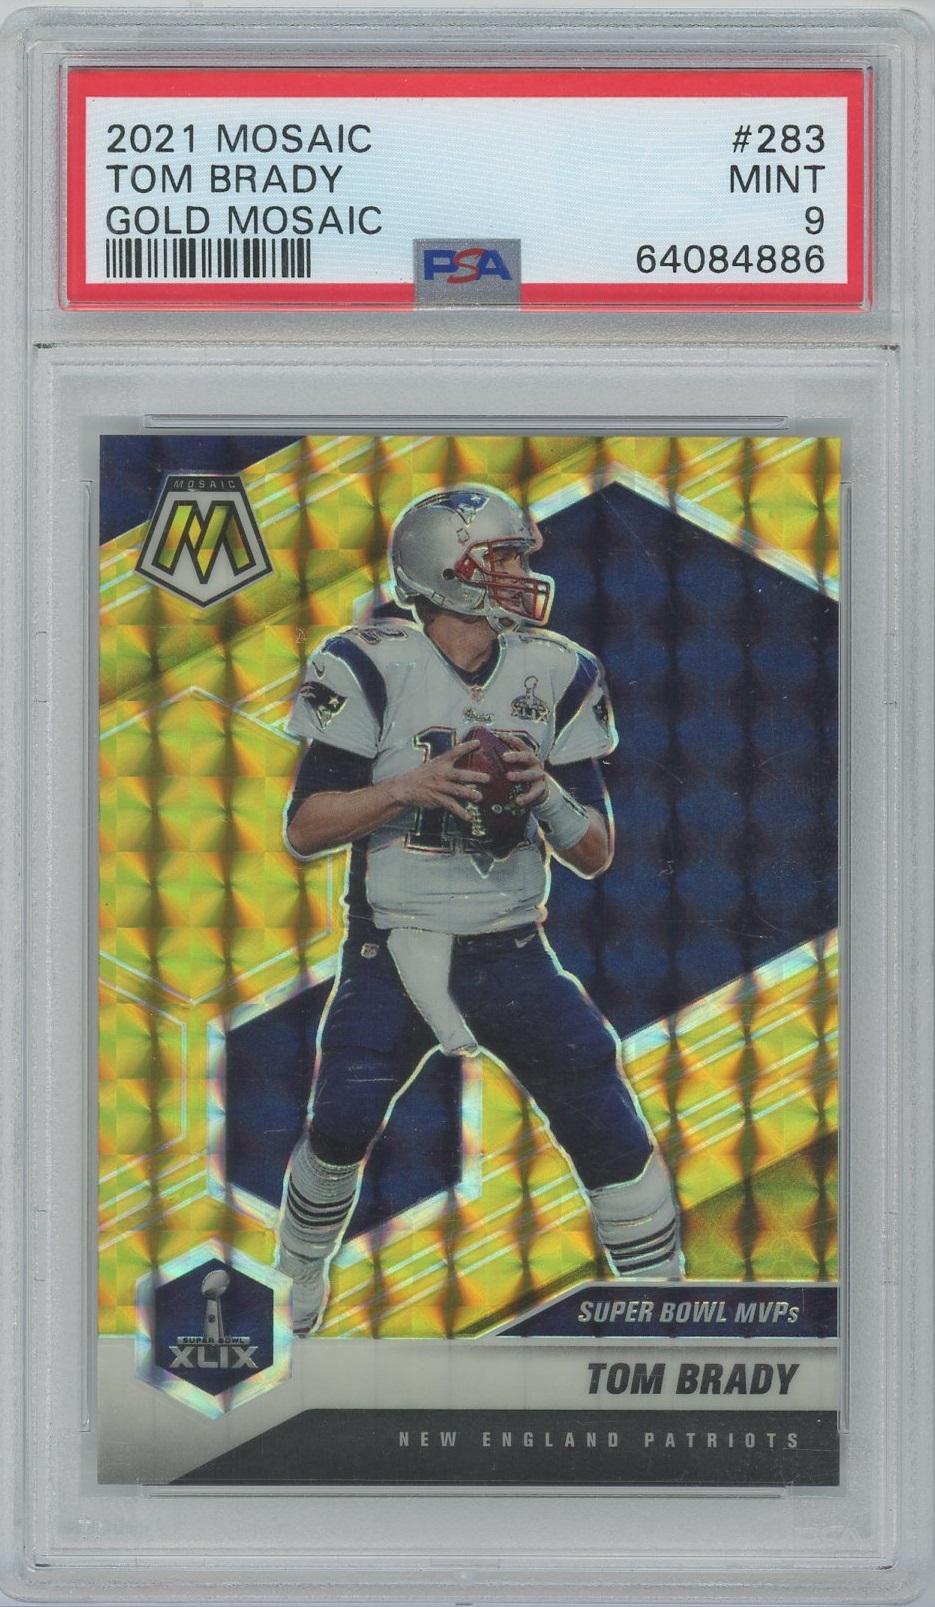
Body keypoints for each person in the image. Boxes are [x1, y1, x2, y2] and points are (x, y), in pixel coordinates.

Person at [279, 485, 681, 1334]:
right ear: (442, 569)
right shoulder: (367, 661)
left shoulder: (556, 667)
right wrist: (404, 787)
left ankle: (663, 1299)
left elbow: (595, 852)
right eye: (500, 557)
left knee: (597, 1100)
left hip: (510, 947)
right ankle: (297, 1274)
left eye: (518, 557)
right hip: (393, 944)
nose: (519, 573)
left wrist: (548, 798)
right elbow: (305, 828)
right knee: (341, 1119)